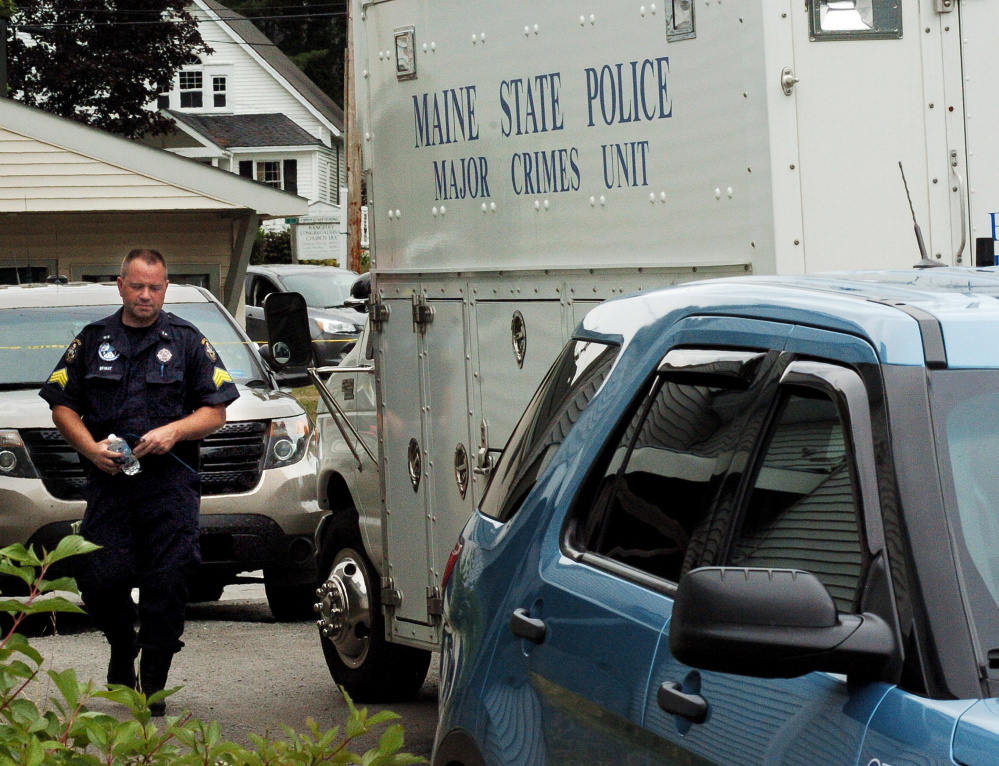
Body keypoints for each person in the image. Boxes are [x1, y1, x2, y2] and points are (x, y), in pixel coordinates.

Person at [39, 249, 239, 716]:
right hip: (110, 485)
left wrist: (175, 431)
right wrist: (89, 448)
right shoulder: (93, 340)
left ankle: (152, 687)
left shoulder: (187, 341)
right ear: (120, 285)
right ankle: (120, 641)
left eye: (155, 287)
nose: (146, 295)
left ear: (165, 288)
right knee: (99, 579)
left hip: (169, 486)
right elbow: (61, 403)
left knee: (167, 584)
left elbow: (216, 410)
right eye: (137, 286)